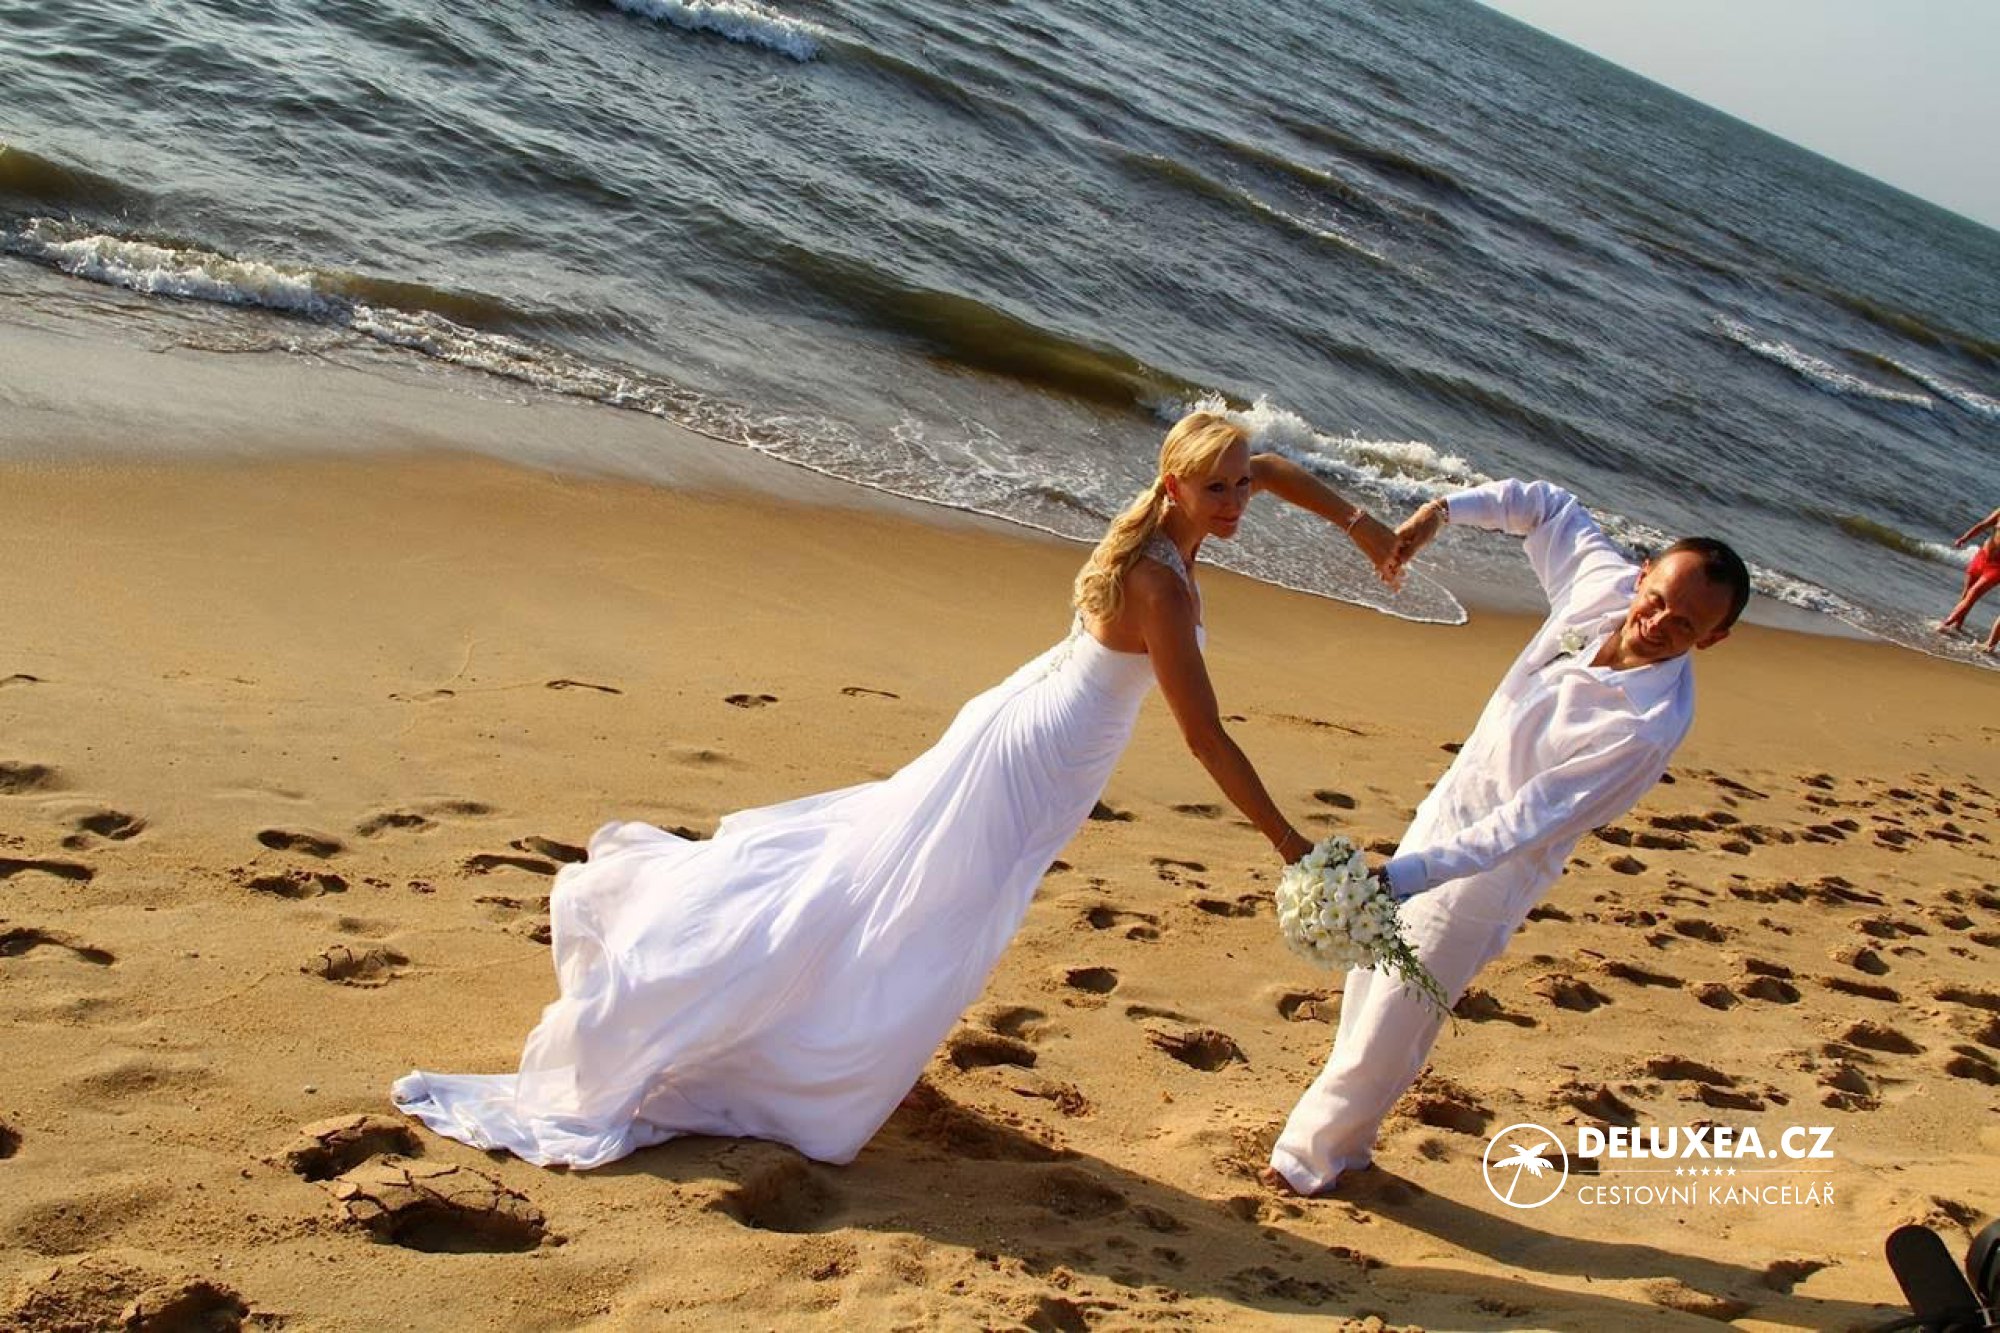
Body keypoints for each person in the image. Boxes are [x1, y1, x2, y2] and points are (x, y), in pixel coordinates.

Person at [393, 411, 1396, 1169]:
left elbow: (1269, 465)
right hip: (1033, 759)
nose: (1237, 501)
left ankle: (816, 1026)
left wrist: (1361, 525)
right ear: (1173, 486)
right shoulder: (1160, 584)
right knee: (922, 912)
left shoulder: (1179, 519)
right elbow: (1204, 736)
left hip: (1028, 721)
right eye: (1217, 489)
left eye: (1239, 487)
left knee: (894, 882)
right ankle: (790, 1052)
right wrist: (1289, 845)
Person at [1264, 478, 1749, 1196]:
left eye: (1684, 626)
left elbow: (1524, 823)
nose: (1656, 623)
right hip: (1445, 809)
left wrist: (1400, 876)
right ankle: (1351, 1144)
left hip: (1488, 877)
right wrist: (1440, 514)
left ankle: (1305, 1163)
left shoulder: (1646, 728)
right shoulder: (1602, 582)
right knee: (1368, 982)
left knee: (1398, 1015)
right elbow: (1546, 505)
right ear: (1643, 573)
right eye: (1655, 600)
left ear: (1713, 638)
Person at [1939, 506, 2000, 635]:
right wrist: (1964, 538)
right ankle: (1957, 626)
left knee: (1973, 593)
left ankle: (1945, 624)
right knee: (1966, 593)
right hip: (1982, 557)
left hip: (1997, 567)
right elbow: (1983, 525)